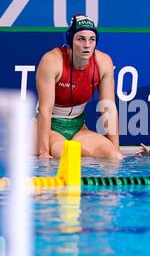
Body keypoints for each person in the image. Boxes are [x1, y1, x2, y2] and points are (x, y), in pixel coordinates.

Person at [36, 14, 122, 159]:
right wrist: (43, 152)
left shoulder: (103, 62)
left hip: (78, 128)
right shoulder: (52, 61)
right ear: (71, 41)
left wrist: (116, 148)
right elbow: (45, 110)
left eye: (92, 39)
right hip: (51, 127)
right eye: (81, 39)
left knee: (114, 156)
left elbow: (108, 108)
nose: (87, 45)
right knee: (67, 155)